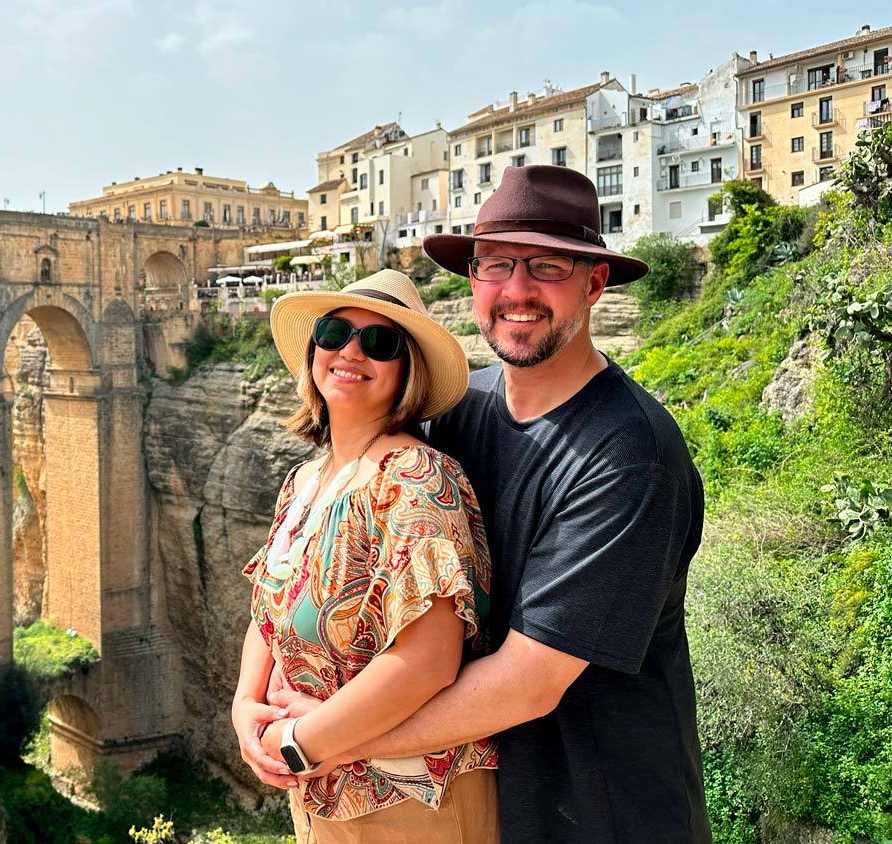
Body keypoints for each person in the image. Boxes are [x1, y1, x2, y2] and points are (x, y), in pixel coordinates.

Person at [267, 166, 711, 843]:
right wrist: (260, 700)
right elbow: (324, 540)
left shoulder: (629, 456)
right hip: (481, 805)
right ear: (471, 279)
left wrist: (325, 741)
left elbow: (526, 683)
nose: (516, 291)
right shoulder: (453, 412)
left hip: (599, 811)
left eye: (546, 267)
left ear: (594, 282)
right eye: (495, 265)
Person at [232, 269, 498, 843]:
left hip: (409, 803)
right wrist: (244, 705)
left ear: (408, 372)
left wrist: (302, 743)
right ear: (313, 352)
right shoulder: (306, 480)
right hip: (320, 795)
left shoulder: (415, 480)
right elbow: (270, 606)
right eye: (334, 333)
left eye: (380, 343)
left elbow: (428, 661)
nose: (351, 351)